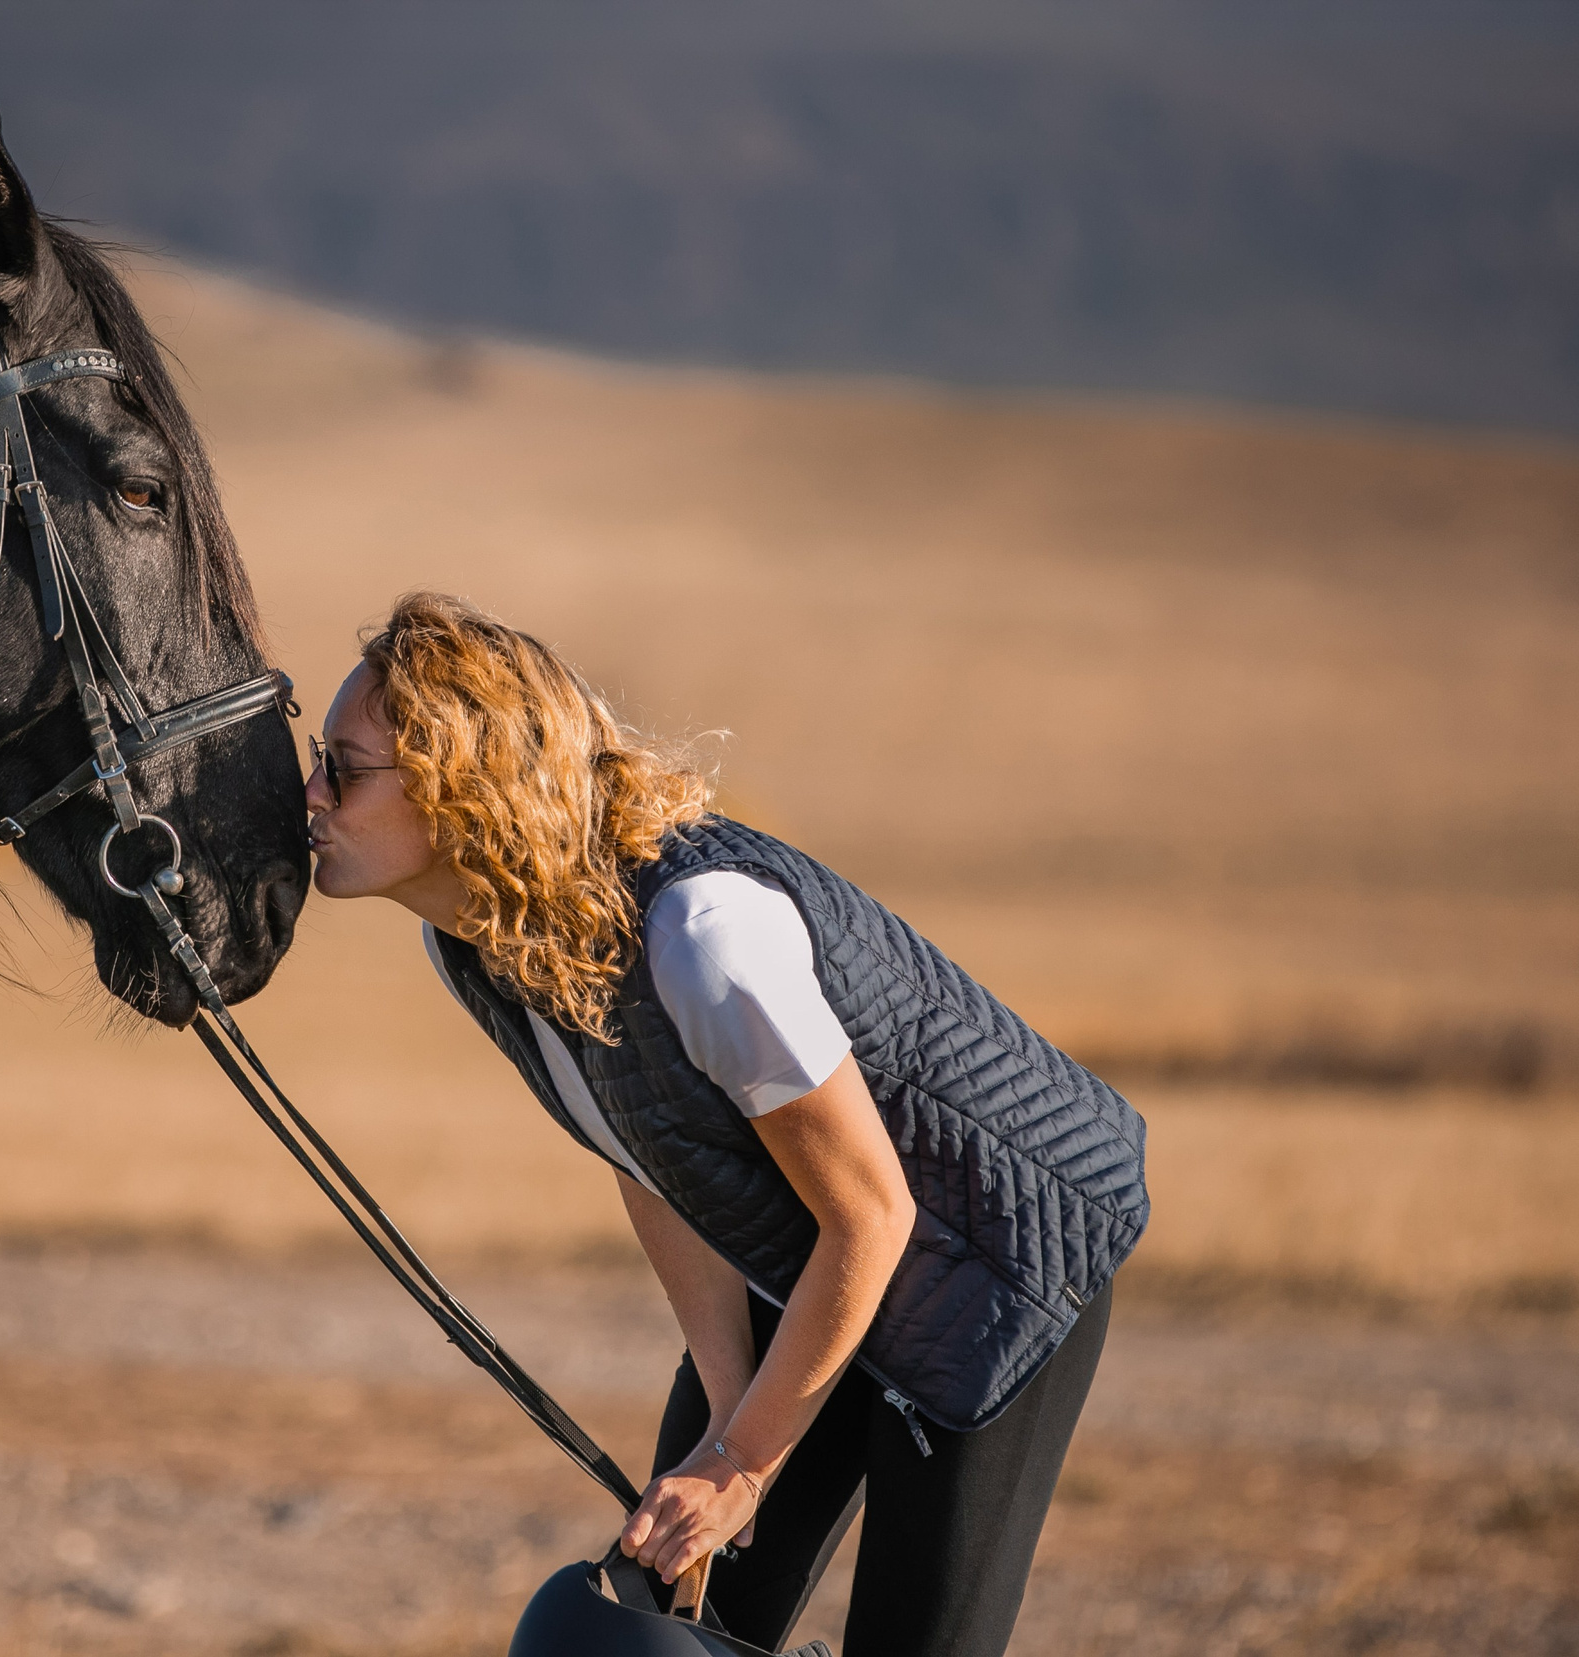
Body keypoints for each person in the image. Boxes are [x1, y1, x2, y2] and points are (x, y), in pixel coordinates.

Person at [302, 593, 1149, 1657]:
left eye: (344, 766)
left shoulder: (701, 936)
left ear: (466, 791)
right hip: (810, 1261)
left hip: (994, 1267)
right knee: (656, 1623)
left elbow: (873, 1215)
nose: (311, 792)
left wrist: (744, 1463)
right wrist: (722, 1415)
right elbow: (649, 1159)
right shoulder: (478, 950)